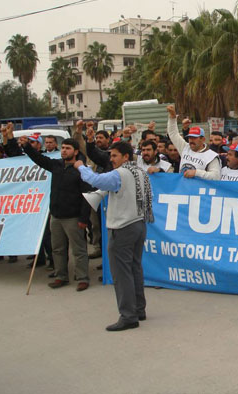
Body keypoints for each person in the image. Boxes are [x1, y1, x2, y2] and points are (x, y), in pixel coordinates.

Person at [75, 140, 154, 331]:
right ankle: (138, 309)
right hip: (139, 224)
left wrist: (81, 167)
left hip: (123, 227)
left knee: (121, 273)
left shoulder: (120, 174)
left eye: (115, 155)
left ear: (126, 156)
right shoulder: (140, 172)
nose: (111, 159)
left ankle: (128, 316)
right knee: (134, 268)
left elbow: (95, 180)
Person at [22, 137, 91, 291]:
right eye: (63, 148)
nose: (64, 151)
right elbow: (38, 158)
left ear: (76, 151)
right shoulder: (56, 165)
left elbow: (87, 196)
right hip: (56, 216)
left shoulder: (82, 170)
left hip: (73, 217)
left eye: (68, 148)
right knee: (58, 249)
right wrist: (26, 146)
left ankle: (82, 278)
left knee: (78, 250)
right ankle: (61, 276)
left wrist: (83, 218)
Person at [167, 105, 221, 180]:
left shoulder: (211, 156)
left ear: (203, 139)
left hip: (198, 187)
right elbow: (173, 134)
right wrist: (172, 117)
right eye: (190, 138)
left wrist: (196, 173)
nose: (191, 140)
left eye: (194, 138)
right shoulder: (185, 148)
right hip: (183, 186)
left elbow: (216, 177)